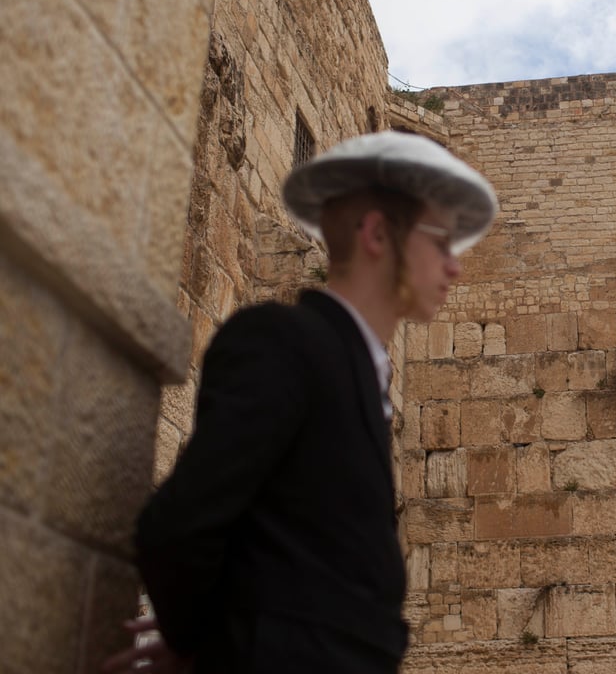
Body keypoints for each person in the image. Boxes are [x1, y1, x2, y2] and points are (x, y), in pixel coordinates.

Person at [101, 130, 498, 674]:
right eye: (440, 242)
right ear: (378, 234)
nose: (455, 267)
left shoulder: (361, 374)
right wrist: (203, 644)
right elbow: (179, 525)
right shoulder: (282, 342)